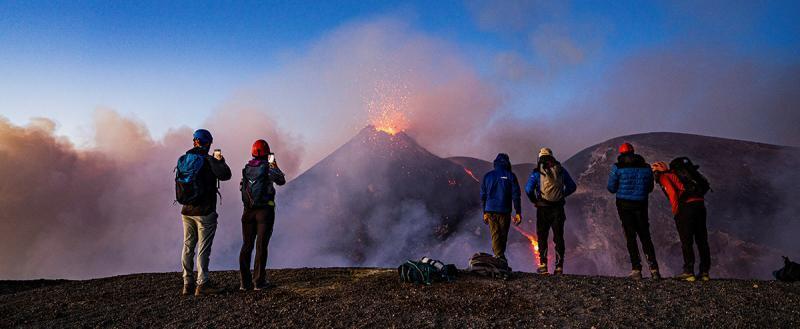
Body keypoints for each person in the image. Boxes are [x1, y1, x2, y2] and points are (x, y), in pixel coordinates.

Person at [176, 129, 232, 296]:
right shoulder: (209, 160)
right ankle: (203, 283)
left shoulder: (184, 159)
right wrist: (220, 161)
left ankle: (187, 283)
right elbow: (226, 175)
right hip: (205, 211)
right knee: (203, 248)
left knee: (188, 246)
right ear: (207, 143)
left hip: (186, 210)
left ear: (195, 141)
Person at [606, 142, 661, 280]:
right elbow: (649, 188)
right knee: (645, 236)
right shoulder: (646, 167)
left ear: (621, 153)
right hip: (641, 205)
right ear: (633, 152)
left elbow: (611, 188)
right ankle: (654, 269)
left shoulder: (617, 167)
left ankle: (636, 269)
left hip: (624, 206)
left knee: (630, 237)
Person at [652, 160, 711, 282]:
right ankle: (704, 272)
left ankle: (688, 272)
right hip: (699, 205)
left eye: (654, 173)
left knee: (686, 240)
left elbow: (673, 194)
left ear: (658, 172)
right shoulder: (680, 175)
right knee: (701, 240)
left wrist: (676, 212)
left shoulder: (664, 177)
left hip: (686, 208)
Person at [239, 139, 286, 291]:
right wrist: (274, 165)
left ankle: (244, 284)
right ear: (267, 153)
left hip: (248, 211)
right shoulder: (268, 167)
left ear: (253, 152)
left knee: (246, 245)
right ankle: (258, 282)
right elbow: (281, 181)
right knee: (261, 246)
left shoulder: (246, 168)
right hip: (264, 212)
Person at [524, 148, 577, 275]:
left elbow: (528, 189)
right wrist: (562, 195)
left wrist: (534, 201)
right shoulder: (560, 170)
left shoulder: (537, 172)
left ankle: (543, 265)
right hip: (558, 208)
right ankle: (559, 267)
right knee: (558, 237)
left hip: (543, 208)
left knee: (542, 237)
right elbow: (572, 186)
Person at [480, 153, 522, 262]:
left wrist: (484, 212)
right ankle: (499, 259)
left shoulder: (487, 176)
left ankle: (498, 258)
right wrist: (518, 212)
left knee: (495, 235)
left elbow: (483, 196)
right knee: (502, 236)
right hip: (504, 211)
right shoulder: (511, 176)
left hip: (489, 210)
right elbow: (516, 195)